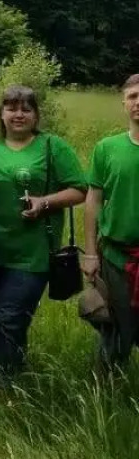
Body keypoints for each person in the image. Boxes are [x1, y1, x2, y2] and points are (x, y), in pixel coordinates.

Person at [0, 85, 85, 372]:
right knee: (4, 317)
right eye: (12, 108)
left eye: (26, 109)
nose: (18, 115)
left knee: (10, 316)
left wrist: (44, 202)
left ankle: (1, 387)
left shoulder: (52, 146)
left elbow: (79, 190)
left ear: (37, 115)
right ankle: (14, 366)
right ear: (1, 114)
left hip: (32, 253)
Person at [82, 73, 139, 370]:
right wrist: (91, 253)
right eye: (133, 96)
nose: (138, 102)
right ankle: (109, 392)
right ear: (123, 103)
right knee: (114, 331)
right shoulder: (107, 148)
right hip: (117, 257)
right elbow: (93, 201)